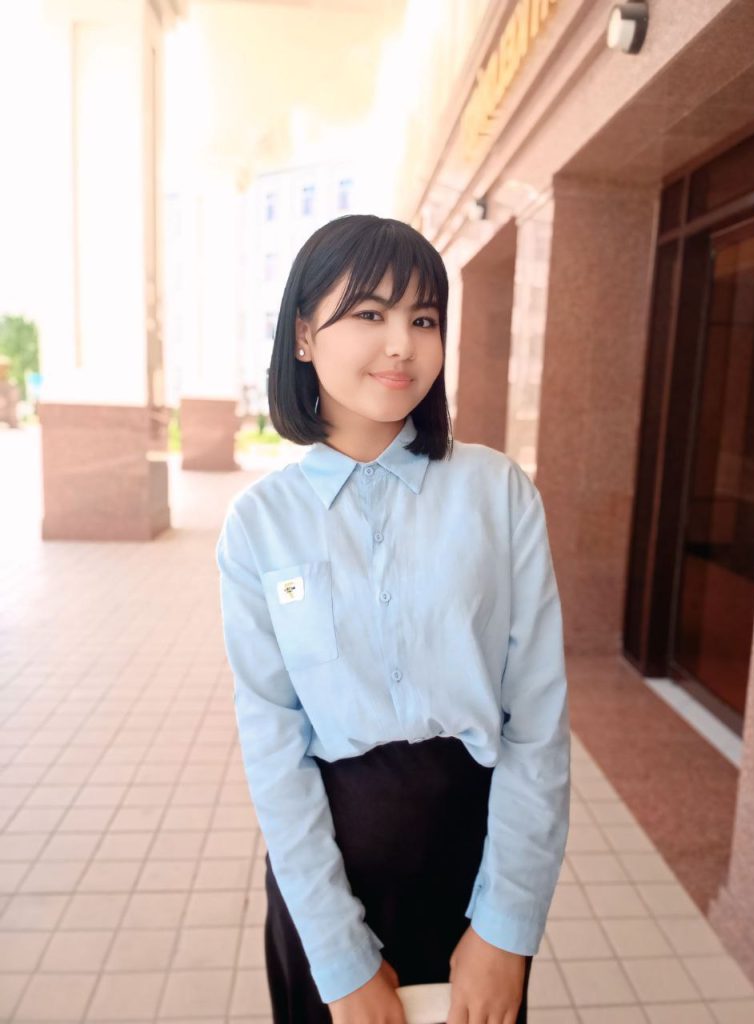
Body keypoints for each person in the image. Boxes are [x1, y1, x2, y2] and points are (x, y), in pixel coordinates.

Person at [215, 214, 571, 1024]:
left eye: (423, 318)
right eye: (369, 313)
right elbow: (273, 744)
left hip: (473, 862)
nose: (402, 343)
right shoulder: (259, 524)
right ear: (304, 334)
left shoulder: (497, 492)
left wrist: (506, 928)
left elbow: (538, 720)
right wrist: (338, 957)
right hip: (328, 874)